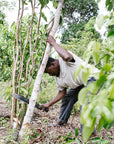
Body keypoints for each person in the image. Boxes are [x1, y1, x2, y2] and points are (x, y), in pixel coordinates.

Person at [41, 35, 99, 127]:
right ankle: (61, 121)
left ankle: (88, 132)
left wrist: (53, 43)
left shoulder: (65, 61)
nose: (50, 75)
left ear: (53, 64)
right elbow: (62, 92)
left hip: (93, 78)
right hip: (81, 84)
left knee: (85, 103)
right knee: (67, 98)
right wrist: (49, 104)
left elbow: (67, 56)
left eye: (49, 72)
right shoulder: (57, 77)